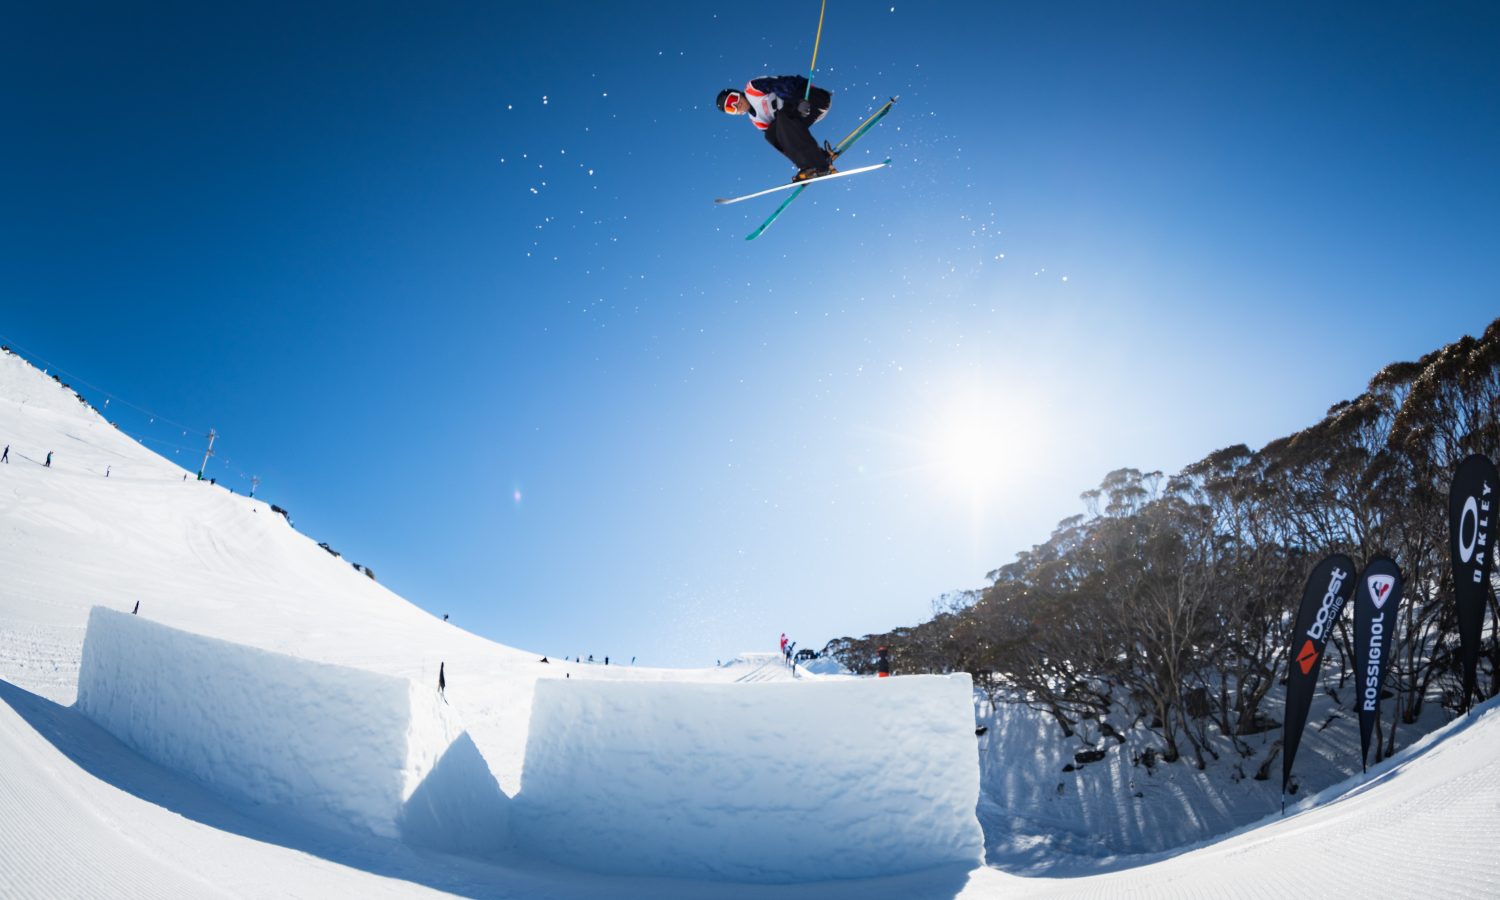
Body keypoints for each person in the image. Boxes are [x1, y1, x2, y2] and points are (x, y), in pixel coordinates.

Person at [717, 75, 835, 182]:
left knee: (783, 116)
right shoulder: (756, 120)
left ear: (738, 93)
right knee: (771, 134)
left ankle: (820, 165)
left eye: (733, 99)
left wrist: (798, 100)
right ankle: (812, 163)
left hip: (812, 99)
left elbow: (783, 84)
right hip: (801, 115)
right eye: (731, 108)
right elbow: (784, 138)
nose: (736, 105)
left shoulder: (752, 89)